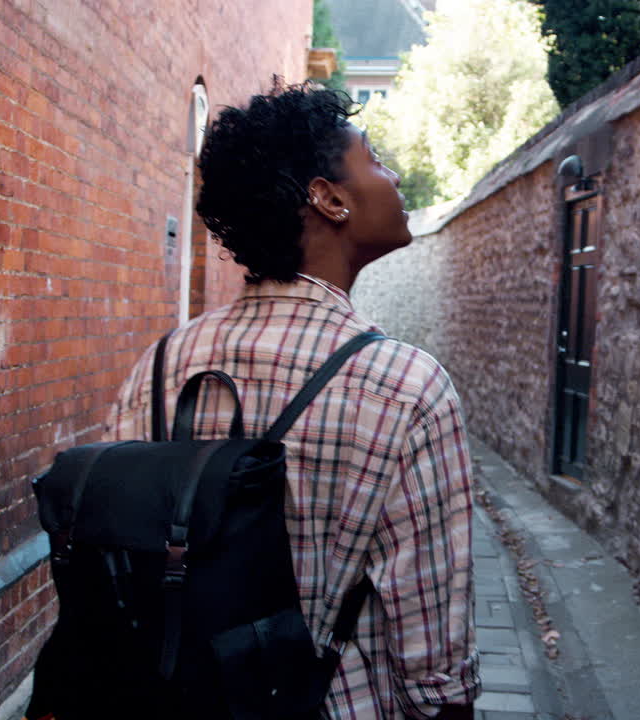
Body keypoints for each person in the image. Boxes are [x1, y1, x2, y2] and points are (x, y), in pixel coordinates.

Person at [104, 84, 479, 719]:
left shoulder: (161, 366)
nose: (392, 175)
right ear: (328, 198)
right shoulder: (405, 387)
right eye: (375, 158)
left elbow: (117, 558)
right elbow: (433, 653)